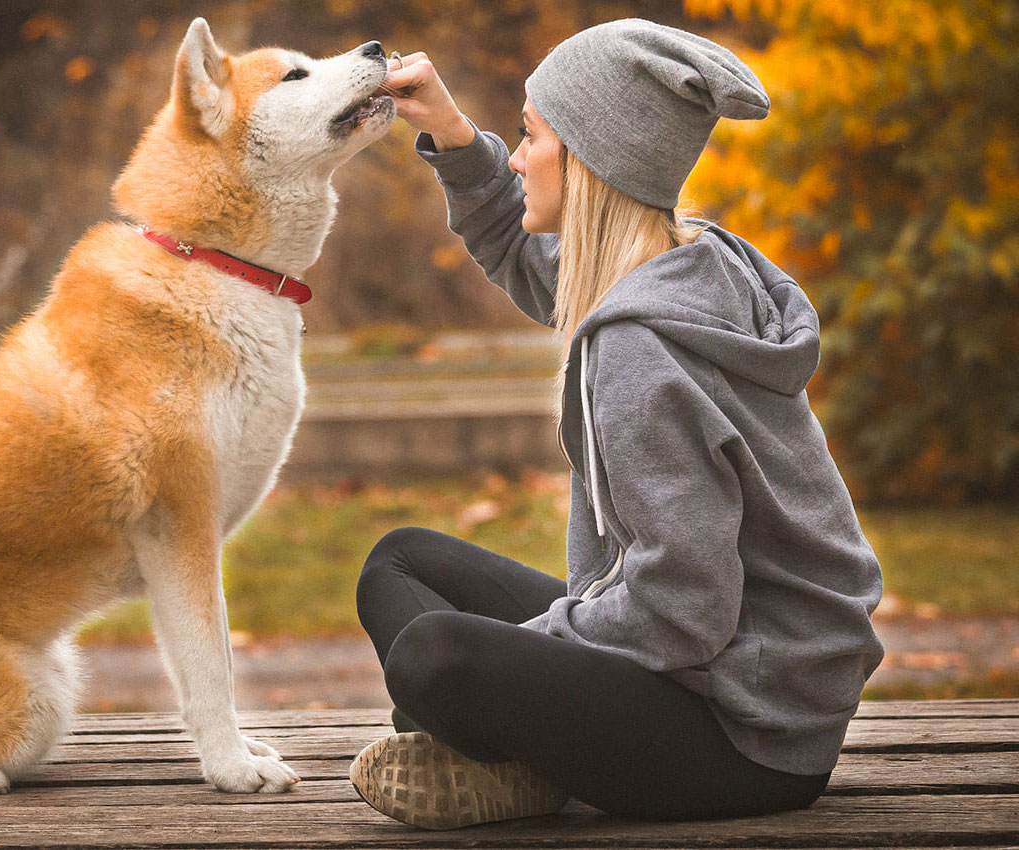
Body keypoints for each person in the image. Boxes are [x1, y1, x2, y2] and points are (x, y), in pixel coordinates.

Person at [349, 19, 885, 829]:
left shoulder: (640, 350)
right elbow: (523, 252)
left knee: (433, 655)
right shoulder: (691, 262)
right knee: (399, 561)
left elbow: (683, 609)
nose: (517, 157)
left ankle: (510, 758)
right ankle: (512, 755)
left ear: (591, 164)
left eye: (531, 137)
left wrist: (527, 653)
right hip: (723, 675)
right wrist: (453, 134)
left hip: (746, 736)